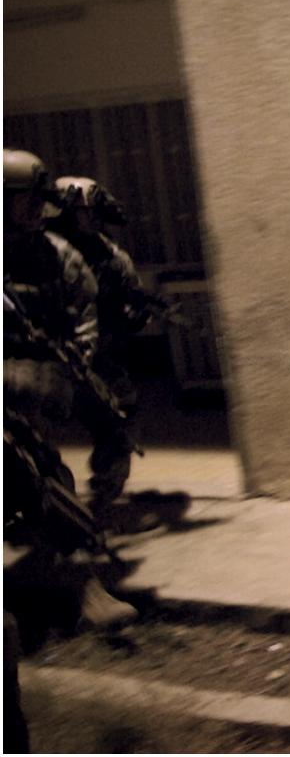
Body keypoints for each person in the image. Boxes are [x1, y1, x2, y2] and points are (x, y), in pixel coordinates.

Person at [3, 148, 137, 629]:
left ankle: (85, 576)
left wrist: (79, 352)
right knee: (31, 467)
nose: (36, 209)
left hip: (45, 370)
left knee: (94, 438)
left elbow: (84, 308)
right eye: (25, 199)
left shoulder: (56, 254)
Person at [44, 177, 151, 519]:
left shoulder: (111, 256)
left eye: (92, 213)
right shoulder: (41, 251)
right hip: (41, 356)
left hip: (93, 356)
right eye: (84, 213)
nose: (91, 220)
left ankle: (104, 490)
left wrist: (136, 314)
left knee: (121, 414)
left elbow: (133, 301)